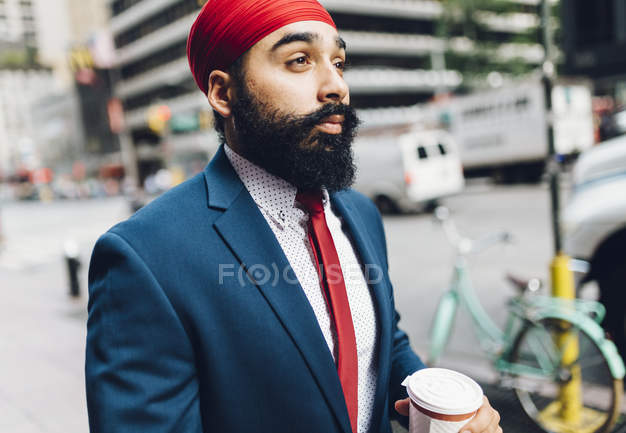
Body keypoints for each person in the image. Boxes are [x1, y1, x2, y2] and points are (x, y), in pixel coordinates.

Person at [85, 1, 502, 432]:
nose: (335, 86)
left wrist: (450, 408)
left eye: (338, 62)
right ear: (223, 93)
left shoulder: (360, 214)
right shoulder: (145, 256)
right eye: (299, 60)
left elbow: (381, 344)